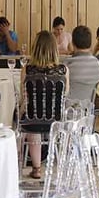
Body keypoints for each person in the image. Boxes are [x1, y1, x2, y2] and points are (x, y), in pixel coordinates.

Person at [20, 30, 68, 180]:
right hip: (56, 119)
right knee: (35, 116)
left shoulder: (27, 70)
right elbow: (65, 94)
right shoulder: (63, 70)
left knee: (28, 117)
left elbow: (24, 96)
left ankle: (36, 168)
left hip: (32, 120)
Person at [64, 25, 99, 101]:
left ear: (73, 43)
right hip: (87, 106)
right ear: (90, 44)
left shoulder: (66, 65)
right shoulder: (97, 64)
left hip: (67, 106)